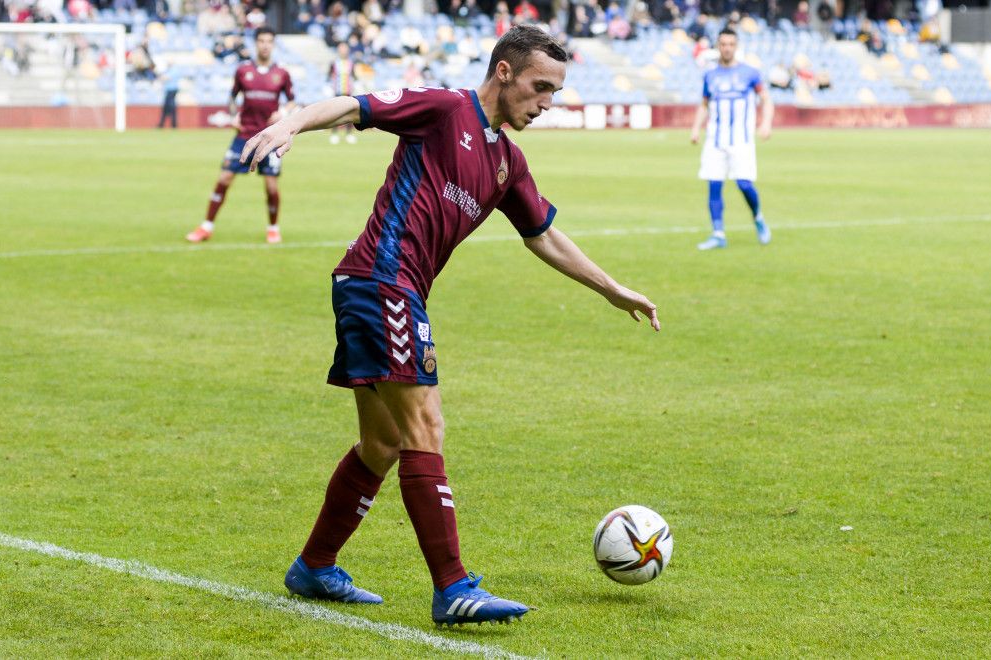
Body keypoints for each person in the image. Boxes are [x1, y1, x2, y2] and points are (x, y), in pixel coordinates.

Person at [239, 24, 660, 626]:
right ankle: (453, 586)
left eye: (556, 93)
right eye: (541, 87)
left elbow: (543, 236)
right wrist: (291, 124)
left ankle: (314, 566)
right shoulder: (443, 108)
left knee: (383, 443)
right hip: (382, 281)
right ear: (506, 71)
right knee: (425, 424)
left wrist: (614, 290)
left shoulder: (507, 161)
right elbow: (357, 105)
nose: (547, 103)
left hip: (386, 289)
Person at [187, 27, 296, 244]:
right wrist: (233, 115)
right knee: (224, 179)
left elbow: (292, 100)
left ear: (273, 45)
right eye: (261, 41)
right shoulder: (242, 70)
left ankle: (273, 228)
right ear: (256, 43)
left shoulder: (282, 74)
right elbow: (231, 97)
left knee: (272, 186)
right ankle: (206, 226)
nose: (265, 45)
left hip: (270, 137)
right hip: (244, 135)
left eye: (268, 41)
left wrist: (283, 112)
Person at [690, 28, 773, 250]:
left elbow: (766, 99)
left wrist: (765, 123)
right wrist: (696, 128)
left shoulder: (750, 73)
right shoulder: (710, 75)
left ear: (736, 47)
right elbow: (704, 104)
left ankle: (758, 217)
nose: (726, 48)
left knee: (744, 184)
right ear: (718, 46)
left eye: (730, 44)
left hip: (741, 141)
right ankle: (718, 234)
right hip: (715, 141)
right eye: (723, 44)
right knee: (714, 185)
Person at [327, 42, 358, 144]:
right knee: (335, 114)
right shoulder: (334, 63)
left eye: (345, 48)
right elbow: (328, 77)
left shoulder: (351, 63)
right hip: (337, 92)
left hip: (348, 92)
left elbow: (354, 77)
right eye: (341, 48)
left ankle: (349, 134)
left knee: (350, 113)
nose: (343, 50)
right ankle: (334, 134)